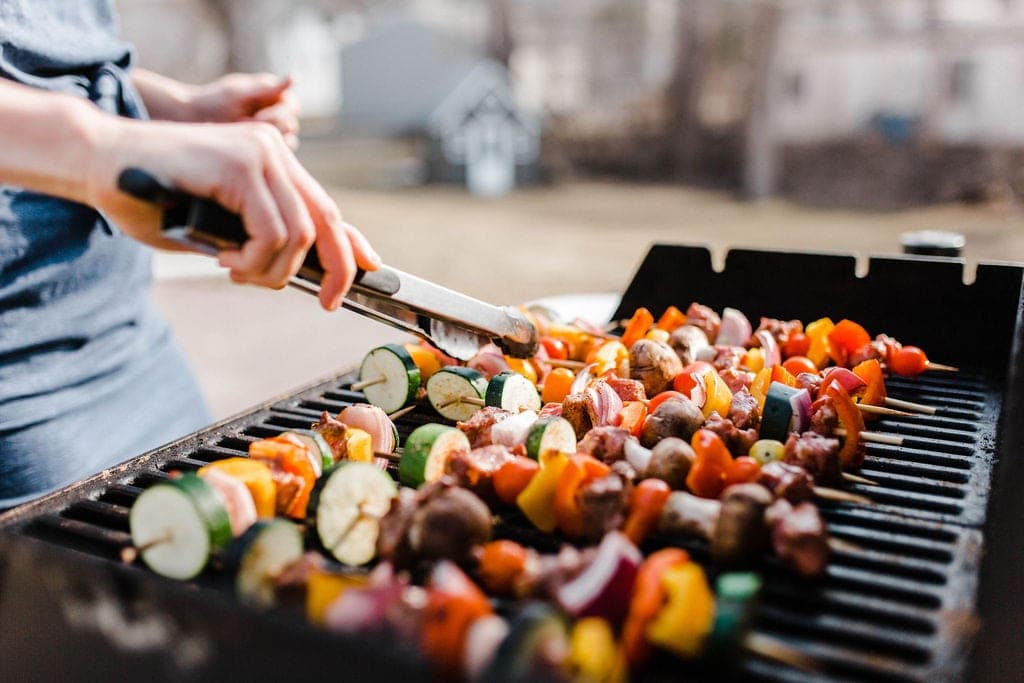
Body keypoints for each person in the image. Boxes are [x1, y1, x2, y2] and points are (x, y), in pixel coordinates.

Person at [0, 3, 379, 508]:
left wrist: (168, 110)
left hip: (137, 348)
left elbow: (40, 51)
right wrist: (100, 150)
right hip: (22, 399)